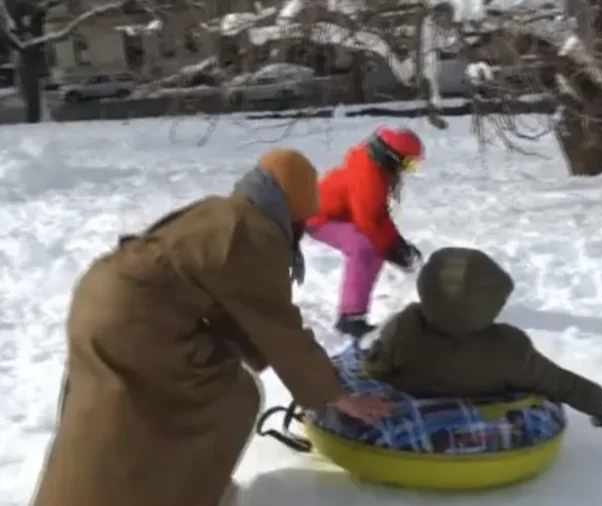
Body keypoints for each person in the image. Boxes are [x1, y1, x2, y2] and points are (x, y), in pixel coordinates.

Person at [29, 148, 393, 506]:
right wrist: (332, 392)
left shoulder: (225, 210)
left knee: (108, 414)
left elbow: (229, 299)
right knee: (227, 396)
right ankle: (186, 490)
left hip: (100, 298)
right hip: (136, 320)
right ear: (296, 205)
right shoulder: (255, 231)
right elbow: (278, 325)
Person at [363, 246, 602, 427]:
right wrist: (596, 403)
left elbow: (377, 367)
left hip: (417, 402)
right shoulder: (507, 346)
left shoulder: (407, 326)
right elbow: (555, 380)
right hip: (486, 413)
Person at [306, 126, 425, 338]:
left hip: (341, 215)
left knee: (375, 249)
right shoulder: (367, 176)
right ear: (391, 156)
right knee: (364, 246)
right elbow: (368, 222)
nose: (407, 170)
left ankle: (355, 313)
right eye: (407, 163)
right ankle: (350, 318)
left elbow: (378, 215)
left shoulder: (376, 171)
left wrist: (396, 244)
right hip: (317, 217)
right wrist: (393, 248)